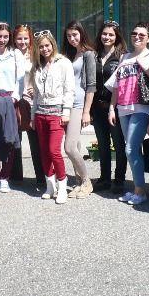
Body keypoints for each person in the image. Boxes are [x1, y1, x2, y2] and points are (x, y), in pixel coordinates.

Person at [108, 22, 149, 206]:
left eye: (141, 35)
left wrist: (144, 66)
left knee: (130, 149)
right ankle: (137, 188)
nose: (137, 37)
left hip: (142, 108)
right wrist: (112, 108)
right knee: (132, 150)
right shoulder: (124, 57)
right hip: (123, 108)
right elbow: (116, 86)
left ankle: (140, 191)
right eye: (134, 33)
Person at [31, 30, 74, 204]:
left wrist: (66, 111)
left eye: (47, 45)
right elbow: (35, 95)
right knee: (43, 152)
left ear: (53, 44)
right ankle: (50, 186)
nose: (45, 49)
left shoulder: (63, 63)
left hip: (57, 113)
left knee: (54, 151)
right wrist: (33, 116)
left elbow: (69, 89)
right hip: (40, 113)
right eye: (41, 47)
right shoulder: (36, 66)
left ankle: (62, 186)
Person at [0, 21, 24, 194]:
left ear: (10, 38)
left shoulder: (16, 54)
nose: (2, 39)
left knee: (9, 140)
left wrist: (15, 97)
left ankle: (5, 178)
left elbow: (21, 79)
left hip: (10, 101)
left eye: (5, 36)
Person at [91, 21, 128, 195]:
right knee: (103, 145)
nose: (107, 37)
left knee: (119, 145)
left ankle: (119, 180)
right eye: (104, 34)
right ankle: (104, 178)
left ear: (117, 37)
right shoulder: (94, 55)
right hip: (97, 107)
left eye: (111, 34)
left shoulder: (122, 56)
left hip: (115, 107)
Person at [61, 20, 96, 199]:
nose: (72, 38)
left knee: (69, 147)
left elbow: (91, 85)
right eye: (69, 36)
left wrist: (86, 111)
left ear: (81, 33)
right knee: (75, 145)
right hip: (66, 103)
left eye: (75, 34)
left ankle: (86, 181)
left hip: (78, 104)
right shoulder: (69, 54)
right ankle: (79, 182)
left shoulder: (88, 54)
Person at [11, 24, 44, 185]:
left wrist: (36, 89)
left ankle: (41, 177)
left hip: (31, 101)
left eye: (25, 38)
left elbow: (43, 74)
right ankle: (16, 177)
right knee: (15, 139)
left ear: (30, 39)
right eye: (19, 38)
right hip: (14, 101)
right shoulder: (11, 54)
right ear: (14, 39)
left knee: (35, 140)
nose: (22, 42)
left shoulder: (35, 55)